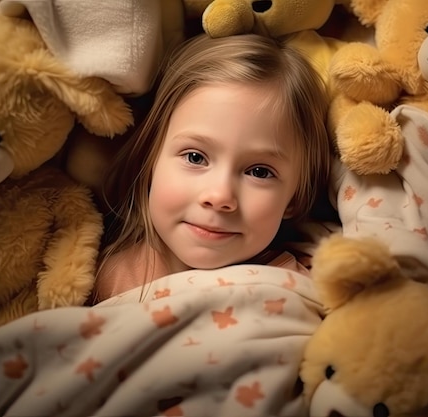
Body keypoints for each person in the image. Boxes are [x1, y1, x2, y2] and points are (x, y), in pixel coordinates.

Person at [92, 33, 334, 303]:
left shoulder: (308, 290)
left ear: (295, 198)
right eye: (195, 157)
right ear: (151, 160)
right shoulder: (97, 279)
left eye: (259, 172)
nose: (219, 197)